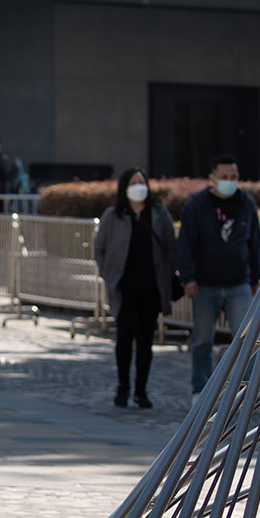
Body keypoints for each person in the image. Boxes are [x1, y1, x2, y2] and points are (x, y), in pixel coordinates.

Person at [176, 153, 260, 402]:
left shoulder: (246, 203)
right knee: (202, 339)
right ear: (212, 177)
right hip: (205, 284)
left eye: (233, 177)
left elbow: (254, 243)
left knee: (246, 338)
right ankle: (200, 389)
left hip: (238, 283)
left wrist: (255, 277)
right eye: (224, 177)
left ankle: (247, 389)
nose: (229, 181)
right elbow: (186, 244)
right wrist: (188, 277)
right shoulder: (196, 205)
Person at [94, 168, 175, 409]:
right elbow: (100, 248)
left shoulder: (159, 213)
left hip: (151, 287)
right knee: (124, 337)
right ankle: (122, 388)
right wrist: (108, 274)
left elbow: (170, 246)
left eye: (142, 182)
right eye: (133, 182)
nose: (138, 186)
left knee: (145, 340)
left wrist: (168, 275)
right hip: (124, 287)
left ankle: (141, 390)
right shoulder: (114, 215)